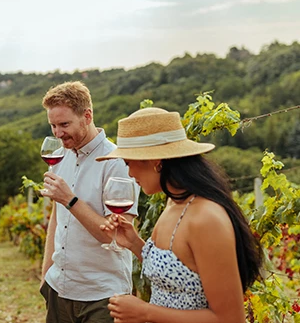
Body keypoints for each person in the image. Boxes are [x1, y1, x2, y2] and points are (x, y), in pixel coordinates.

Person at [97, 107, 262, 323]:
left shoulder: (206, 218)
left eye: (128, 163)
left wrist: (144, 312)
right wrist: (134, 243)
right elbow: (179, 271)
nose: (129, 173)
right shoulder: (174, 202)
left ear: (156, 161)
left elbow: (229, 319)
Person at [39, 81, 139, 323]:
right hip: (59, 288)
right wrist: (46, 274)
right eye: (53, 125)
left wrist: (70, 200)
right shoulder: (59, 156)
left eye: (64, 124)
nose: (58, 133)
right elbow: (57, 216)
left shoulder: (117, 162)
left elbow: (114, 236)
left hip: (101, 295)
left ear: (87, 116)